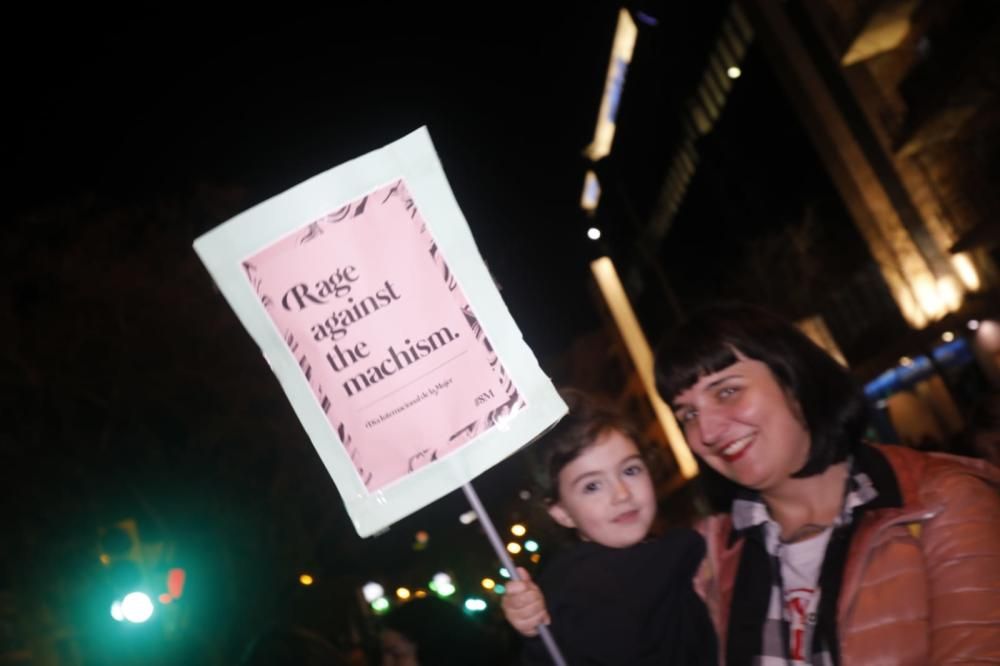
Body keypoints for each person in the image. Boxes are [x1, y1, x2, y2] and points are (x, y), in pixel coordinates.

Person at [506, 303, 1000, 664]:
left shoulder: (938, 504)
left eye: (728, 391)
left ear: (793, 380)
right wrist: (539, 615)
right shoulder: (715, 555)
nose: (708, 430)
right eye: (688, 413)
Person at [501, 388, 716, 665]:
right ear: (561, 512)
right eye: (592, 486)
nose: (622, 494)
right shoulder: (584, 588)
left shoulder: (669, 556)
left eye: (630, 470)